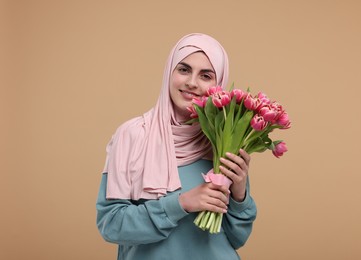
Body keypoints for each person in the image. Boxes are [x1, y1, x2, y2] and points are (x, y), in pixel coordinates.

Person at [96, 33, 257, 260]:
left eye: (206, 75)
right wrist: (181, 204)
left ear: (218, 84)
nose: (192, 82)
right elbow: (111, 225)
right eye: (183, 70)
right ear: (169, 72)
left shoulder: (222, 140)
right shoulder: (131, 136)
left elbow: (236, 238)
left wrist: (239, 195)